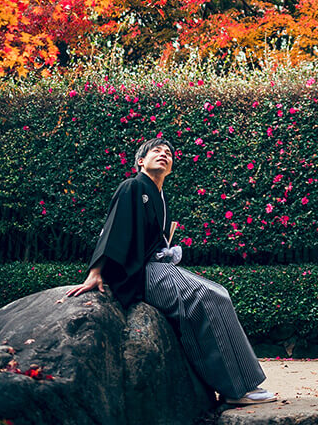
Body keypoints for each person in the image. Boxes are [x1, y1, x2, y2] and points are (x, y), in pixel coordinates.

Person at [64, 137, 275, 407]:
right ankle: (236, 389)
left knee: (216, 293)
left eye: (168, 153)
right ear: (141, 161)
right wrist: (96, 272)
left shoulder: (160, 197)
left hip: (157, 266)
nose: (163, 154)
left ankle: (241, 383)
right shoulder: (132, 186)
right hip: (139, 272)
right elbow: (113, 229)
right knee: (204, 297)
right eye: (156, 151)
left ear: (171, 167)